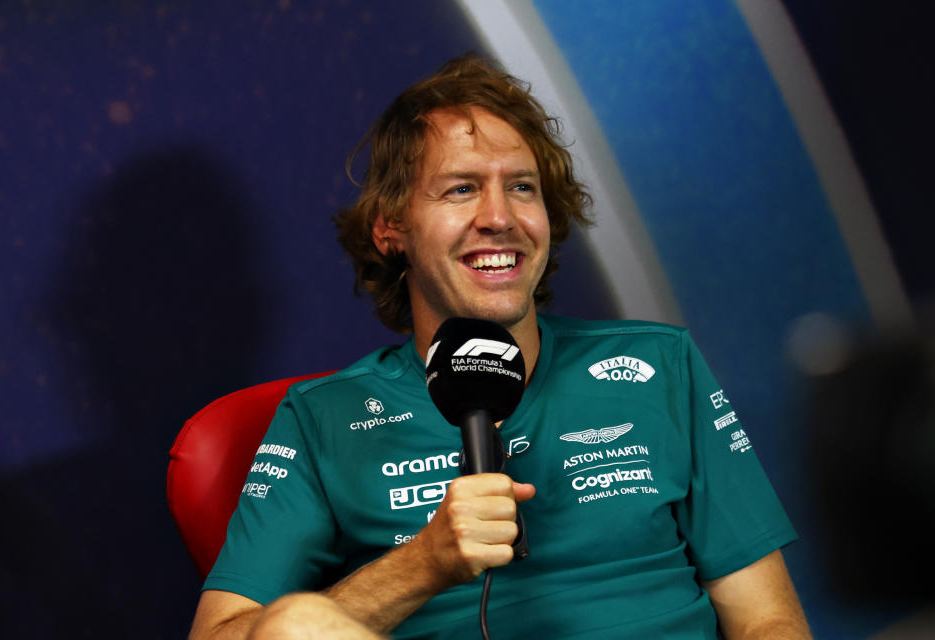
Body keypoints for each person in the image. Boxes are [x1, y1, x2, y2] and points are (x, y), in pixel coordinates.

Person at [189, 55, 811, 639]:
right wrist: (423, 564)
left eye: (521, 187)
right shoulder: (320, 418)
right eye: (461, 189)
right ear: (391, 229)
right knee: (296, 625)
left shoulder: (661, 364)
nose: (500, 217)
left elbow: (768, 621)